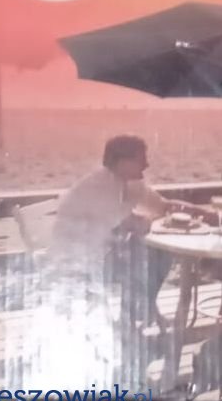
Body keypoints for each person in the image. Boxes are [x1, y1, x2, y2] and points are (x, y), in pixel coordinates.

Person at [48, 134, 208, 331]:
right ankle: (136, 314)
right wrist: (160, 221)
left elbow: (163, 206)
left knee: (154, 254)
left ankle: (137, 312)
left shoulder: (130, 183)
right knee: (144, 257)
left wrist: (205, 213)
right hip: (77, 262)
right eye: (141, 159)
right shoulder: (100, 186)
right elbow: (133, 225)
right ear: (122, 162)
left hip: (101, 253)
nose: (147, 164)